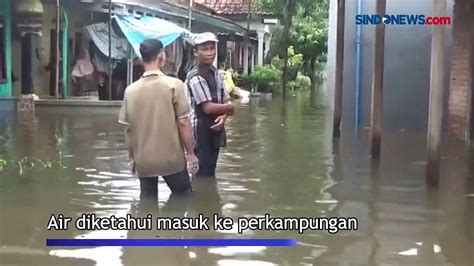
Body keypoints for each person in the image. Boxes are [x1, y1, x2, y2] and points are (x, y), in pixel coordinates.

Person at [118, 39, 199, 197]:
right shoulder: (174, 85)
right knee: (183, 198)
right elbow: (183, 122)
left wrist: (132, 158)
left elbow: (128, 130)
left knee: (148, 204)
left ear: (141, 60)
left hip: (144, 160)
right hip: (171, 159)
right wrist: (190, 153)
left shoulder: (130, 91)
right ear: (162, 57)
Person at [185, 32, 235, 177]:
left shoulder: (216, 73)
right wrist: (230, 108)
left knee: (210, 171)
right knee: (201, 173)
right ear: (195, 52)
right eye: (205, 49)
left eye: (212, 48)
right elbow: (208, 108)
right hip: (200, 130)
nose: (209, 53)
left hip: (215, 127)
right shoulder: (195, 76)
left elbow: (225, 99)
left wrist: (224, 116)